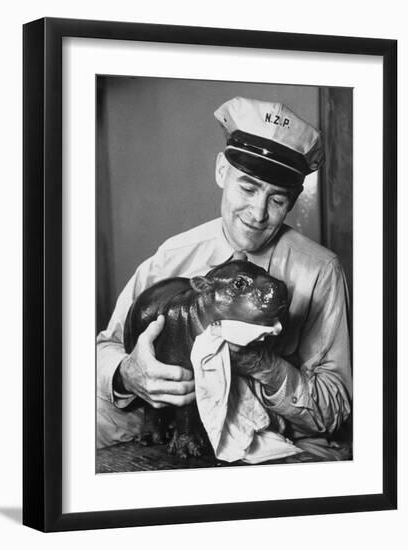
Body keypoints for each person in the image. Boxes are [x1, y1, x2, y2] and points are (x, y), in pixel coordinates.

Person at [97, 96, 352, 460]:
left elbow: (336, 408)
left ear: (294, 201)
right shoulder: (173, 256)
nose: (258, 213)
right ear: (221, 172)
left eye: (277, 200)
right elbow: (105, 347)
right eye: (247, 189)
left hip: (277, 437)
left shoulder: (320, 272)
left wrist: (264, 364)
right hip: (174, 421)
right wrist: (128, 373)